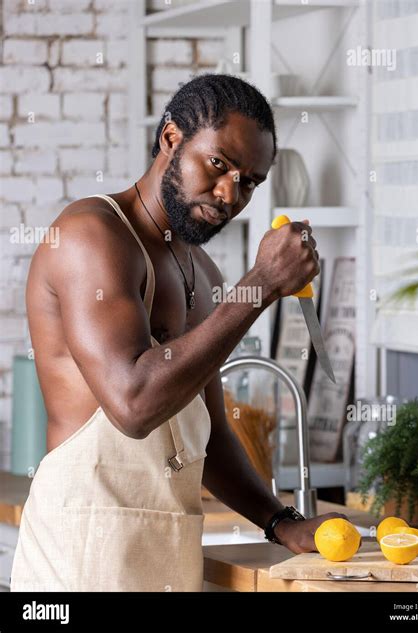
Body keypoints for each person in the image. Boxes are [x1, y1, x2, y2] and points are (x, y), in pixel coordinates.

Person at [11, 74, 347, 592]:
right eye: (219, 164)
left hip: (165, 559)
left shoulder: (204, 274)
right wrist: (259, 285)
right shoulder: (91, 235)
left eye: (250, 181)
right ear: (172, 139)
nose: (230, 193)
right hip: (78, 560)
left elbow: (206, 432)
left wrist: (279, 521)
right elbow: (134, 404)